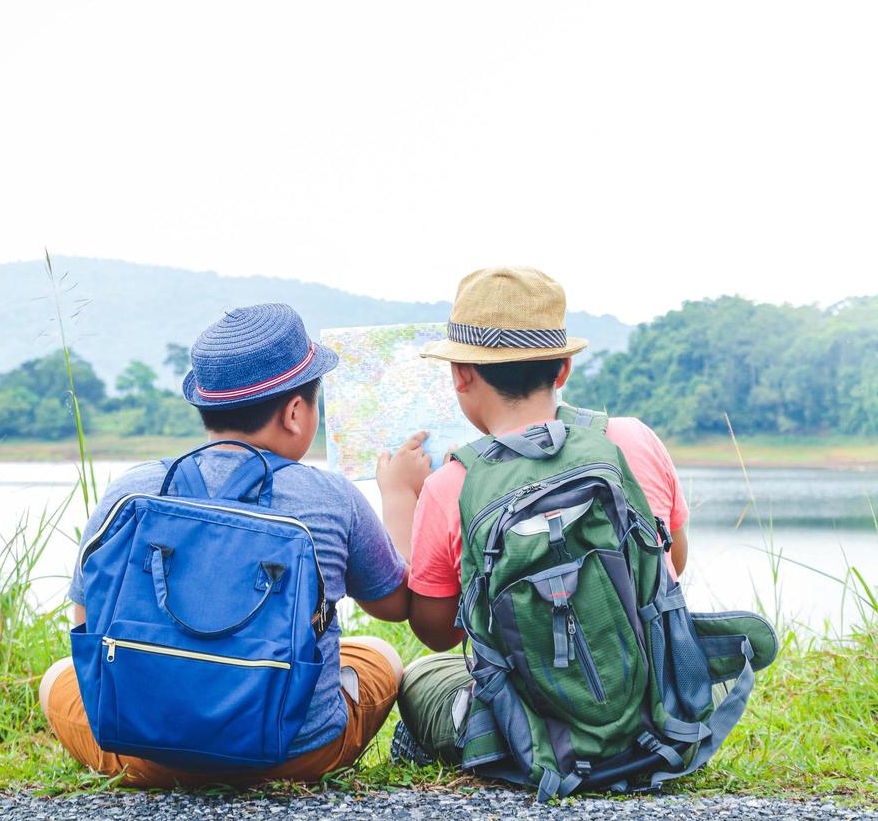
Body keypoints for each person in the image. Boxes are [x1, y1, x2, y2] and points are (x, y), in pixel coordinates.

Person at [39, 303, 427, 786]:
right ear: (294, 413)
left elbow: (86, 624)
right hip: (294, 754)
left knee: (56, 678)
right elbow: (395, 604)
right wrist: (399, 495)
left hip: (145, 752)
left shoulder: (133, 489)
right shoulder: (331, 496)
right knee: (377, 654)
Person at [375, 267, 690, 766]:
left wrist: (399, 500)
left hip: (531, 739)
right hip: (657, 716)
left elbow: (437, 631)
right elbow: (673, 561)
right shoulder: (632, 440)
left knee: (420, 675)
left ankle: (452, 748)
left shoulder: (451, 485)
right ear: (563, 368)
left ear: (461, 374)